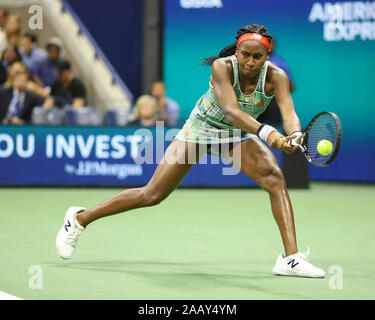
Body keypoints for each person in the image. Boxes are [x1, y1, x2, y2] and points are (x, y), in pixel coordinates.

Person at [55, 24, 325, 278]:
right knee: (152, 194)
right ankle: (79, 219)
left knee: (274, 178)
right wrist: (269, 134)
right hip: (202, 128)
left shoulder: (277, 76)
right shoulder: (222, 67)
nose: (250, 62)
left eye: (257, 56)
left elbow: (289, 113)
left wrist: (294, 135)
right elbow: (231, 112)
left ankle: (290, 258)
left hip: (236, 135)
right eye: (245, 54)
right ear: (236, 51)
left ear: (268, 55)